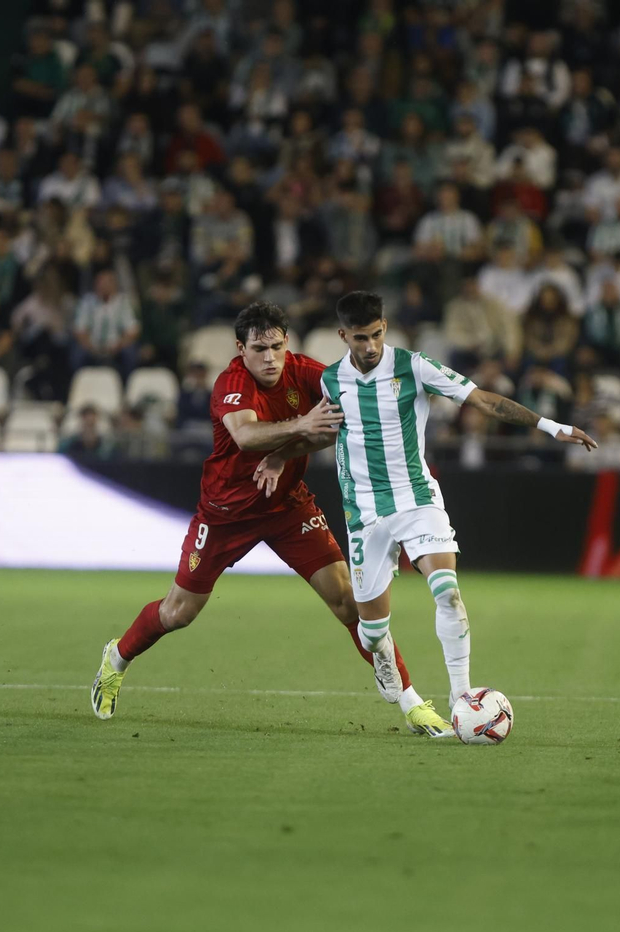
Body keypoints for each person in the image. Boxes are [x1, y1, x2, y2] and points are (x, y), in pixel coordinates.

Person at [252, 291, 597, 737]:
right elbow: (326, 433)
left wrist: (553, 427)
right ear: (343, 336)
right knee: (371, 632)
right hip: (365, 515)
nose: (372, 345)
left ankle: (461, 698)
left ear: (385, 328)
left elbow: (483, 400)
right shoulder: (331, 380)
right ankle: (380, 657)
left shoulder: (414, 366)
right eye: (361, 337)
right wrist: (281, 454)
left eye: (377, 334)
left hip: (417, 500)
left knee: (448, 592)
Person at [89, 302, 427, 729]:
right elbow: (247, 435)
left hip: (288, 507)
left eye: (277, 346)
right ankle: (116, 659)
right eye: (259, 349)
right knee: (178, 613)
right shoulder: (230, 383)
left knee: (349, 601)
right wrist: (302, 424)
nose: (269, 358)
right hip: (226, 514)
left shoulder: (305, 372)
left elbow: (338, 424)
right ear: (240, 348)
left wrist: (285, 454)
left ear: (288, 343)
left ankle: (412, 703)